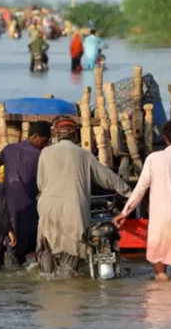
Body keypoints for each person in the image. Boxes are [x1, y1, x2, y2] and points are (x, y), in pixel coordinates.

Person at [35, 117, 132, 277]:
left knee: (47, 251)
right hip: (74, 210)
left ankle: (47, 279)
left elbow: (40, 183)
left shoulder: (45, 153)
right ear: (75, 136)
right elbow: (108, 177)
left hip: (48, 209)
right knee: (71, 258)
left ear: (56, 135)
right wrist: (129, 192)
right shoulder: (84, 155)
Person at [113, 120, 171, 280]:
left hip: (161, 218)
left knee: (158, 261)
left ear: (165, 138)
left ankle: (161, 286)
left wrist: (125, 212)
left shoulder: (153, 159)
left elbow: (140, 188)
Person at [0, 121, 52, 266]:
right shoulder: (40, 156)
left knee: (14, 250)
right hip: (30, 208)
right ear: (35, 136)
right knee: (32, 248)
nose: (45, 144)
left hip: (9, 208)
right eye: (44, 140)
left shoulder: (8, 150)